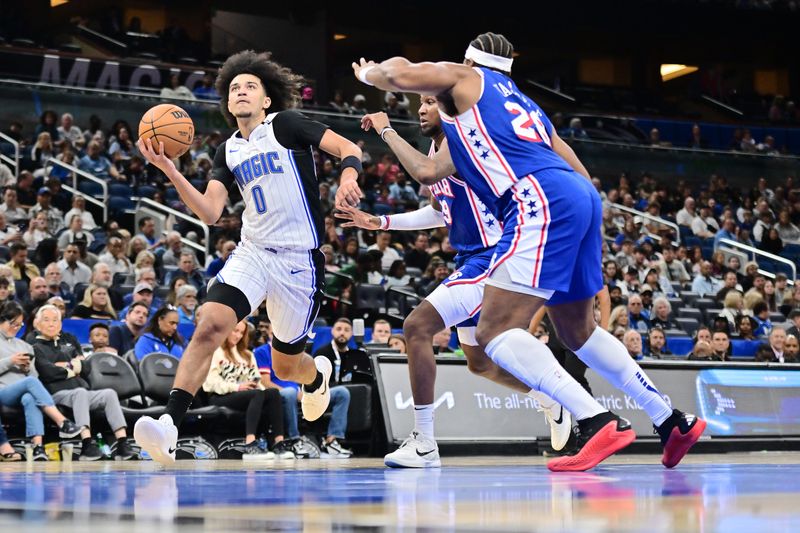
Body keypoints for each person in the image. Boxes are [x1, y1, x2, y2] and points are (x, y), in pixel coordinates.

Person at [353, 32, 704, 471]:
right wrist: (583, 210)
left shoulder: (466, 77)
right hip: (578, 195)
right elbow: (565, 158)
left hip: (534, 201)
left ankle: (594, 421)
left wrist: (369, 73)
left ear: (469, 62)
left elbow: (398, 72)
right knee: (579, 332)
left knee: (494, 332)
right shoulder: (523, 105)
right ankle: (669, 418)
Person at [133, 49, 367, 465]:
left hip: (298, 261)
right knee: (210, 324)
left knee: (286, 367)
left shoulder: (287, 125)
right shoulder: (228, 151)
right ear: (227, 101)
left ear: (267, 100)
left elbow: (348, 147)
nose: (240, 92)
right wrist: (170, 169)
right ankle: (168, 424)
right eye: (234, 88)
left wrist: (348, 175)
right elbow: (209, 212)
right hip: (253, 252)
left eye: (250, 87)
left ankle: (316, 379)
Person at [338, 99, 571, 467]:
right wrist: (381, 223)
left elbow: (425, 173)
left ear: (449, 109)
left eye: (430, 101)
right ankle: (548, 396)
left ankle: (424, 441)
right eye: (420, 102)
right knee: (478, 363)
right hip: (469, 259)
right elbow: (437, 211)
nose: (422, 108)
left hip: (494, 257)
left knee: (417, 326)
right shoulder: (437, 150)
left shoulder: (461, 141)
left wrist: (386, 130)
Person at [32, 305, 135, 460]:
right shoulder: (35, 347)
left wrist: (64, 367)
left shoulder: (69, 342)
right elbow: (48, 373)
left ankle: (122, 443)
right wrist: (74, 366)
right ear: (38, 324)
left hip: (82, 392)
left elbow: (86, 368)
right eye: (46, 320)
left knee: (109, 393)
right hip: (55, 396)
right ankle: (87, 444)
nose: (51, 323)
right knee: (80, 393)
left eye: (55, 320)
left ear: (60, 324)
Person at [0, 302, 82, 460]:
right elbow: (30, 380)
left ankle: (37, 447)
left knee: (30, 397)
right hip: (3, 390)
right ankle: (62, 421)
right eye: (12, 323)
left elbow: (34, 376)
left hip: (22, 390)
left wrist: (26, 368)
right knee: (30, 383)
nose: (16, 328)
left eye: (19, 324)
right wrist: (11, 361)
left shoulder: (24, 345)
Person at [203, 320, 294, 459]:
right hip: (221, 395)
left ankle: (278, 442)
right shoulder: (216, 352)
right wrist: (237, 387)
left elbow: (257, 380)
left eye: (241, 332)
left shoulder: (247, 355)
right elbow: (210, 383)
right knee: (256, 394)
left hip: (247, 395)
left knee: (272, 393)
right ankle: (250, 444)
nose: (238, 335)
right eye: (235, 331)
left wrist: (260, 390)